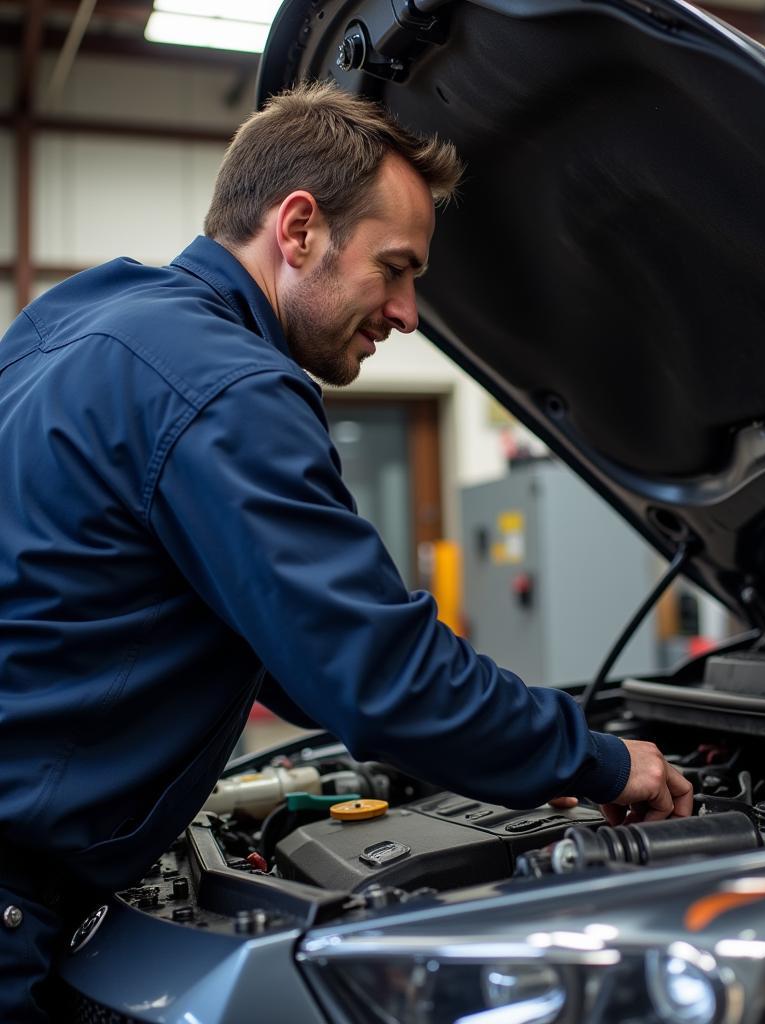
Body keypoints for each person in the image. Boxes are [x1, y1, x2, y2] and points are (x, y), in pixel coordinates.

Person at [0, 82, 692, 1019]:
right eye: (395, 269)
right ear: (297, 230)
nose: (408, 313)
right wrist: (600, 760)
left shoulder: (77, 318)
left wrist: (502, 747)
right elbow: (380, 674)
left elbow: (280, 644)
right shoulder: (229, 388)